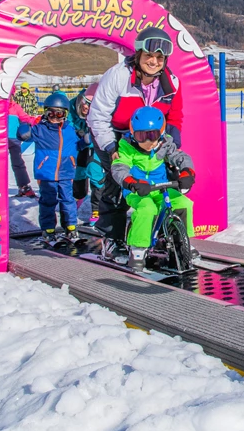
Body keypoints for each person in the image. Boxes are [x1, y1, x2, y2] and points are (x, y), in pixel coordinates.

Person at [88, 26, 185, 263]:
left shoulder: (171, 82)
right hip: (114, 134)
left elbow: (174, 117)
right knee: (115, 183)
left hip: (152, 136)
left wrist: (172, 147)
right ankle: (112, 239)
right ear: (138, 55)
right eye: (149, 56)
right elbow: (97, 117)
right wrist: (111, 150)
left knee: (161, 182)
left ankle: (162, 233)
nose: (153, 62)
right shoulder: (118, 75)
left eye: (159, 58)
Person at [109, 106, 196, 271]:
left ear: (161, 133)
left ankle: (182, 243)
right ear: (133, 133)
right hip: (137, 189)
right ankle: (137, 248)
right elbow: (119, 167)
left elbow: (180, 157)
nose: (148, 142)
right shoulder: (127, 146)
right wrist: (131, 182)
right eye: (141, 136)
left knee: (183, 203)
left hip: (160, 187)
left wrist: (187, 172)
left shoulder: (165, 144)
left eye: (152, 135)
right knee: (147, 208)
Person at [18, 93, 84, 248]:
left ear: (65, 114)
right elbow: (24, 136)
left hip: (66, 172)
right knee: (48, 201)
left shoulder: (70, 130)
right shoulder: (40, 129)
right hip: (47, 173)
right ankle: (48, 230)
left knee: (68, 200)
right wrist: (23, 130)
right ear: (45, 113)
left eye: (59, 114)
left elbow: (77, 146)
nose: (55, 117)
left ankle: (71, 228)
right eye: (51, 113)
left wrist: (85, 141)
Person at [70, 83, 105, 226]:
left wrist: (90, 138)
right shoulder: (72, 106)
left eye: (91, 105)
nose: (86, 107)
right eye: (85, 102)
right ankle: (78, 196)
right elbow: (67, 124)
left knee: (95, 171)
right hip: (78, 145)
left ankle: (97, 209)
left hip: (94, 145)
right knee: (78, 172)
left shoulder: (102, 110)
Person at [9, 92, 39, 198]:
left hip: (13, 139)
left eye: (11, 95)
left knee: (18, 162)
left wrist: (35, 121)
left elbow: (25, 118)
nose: (9, 98)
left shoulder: (15, 107)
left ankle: (24, 186)